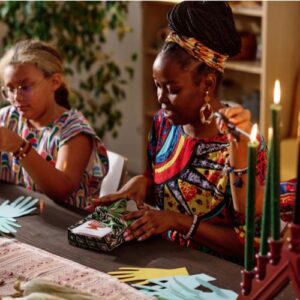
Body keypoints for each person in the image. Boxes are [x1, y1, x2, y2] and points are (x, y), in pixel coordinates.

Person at [89, 1, 266, 260]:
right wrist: (141, 183)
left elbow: (253, 244)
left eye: (172, 89)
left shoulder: (242, 142)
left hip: (219, 278)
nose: (160, 98)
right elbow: (158, 183)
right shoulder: (164, 123)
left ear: (207, 83)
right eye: (157, 86)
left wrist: (178, 222)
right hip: (164, 262)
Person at [0, 40, 108, 210]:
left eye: (25, 87)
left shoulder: (74, 132)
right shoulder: (8, 118)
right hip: (22, 217)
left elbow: (61, 190)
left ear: (54, 82)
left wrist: (18, 146)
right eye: (10, 89)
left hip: (64, 227)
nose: (16, 97)